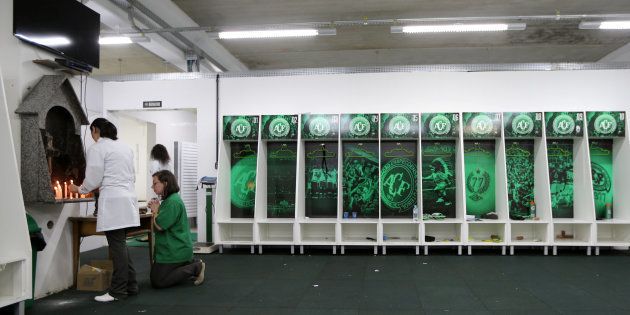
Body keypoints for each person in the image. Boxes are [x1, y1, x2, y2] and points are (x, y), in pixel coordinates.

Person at [69, 118, 139, 302]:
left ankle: (118, 291)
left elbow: (93, 178)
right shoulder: (125, 147)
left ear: (95, 130)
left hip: (114, 201)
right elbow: (132, 174)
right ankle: (131, 285)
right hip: (128, 198)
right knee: (121, 244)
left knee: (117, 246)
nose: (92, 136)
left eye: (92, 132)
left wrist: (79, 189)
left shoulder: (98, 148)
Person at [148, 170, 205, 289]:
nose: (152, 186)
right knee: (156, 276)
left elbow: (159, 225)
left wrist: (155, 211)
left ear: (165, 183)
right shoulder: (170, 200)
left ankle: (196, 267)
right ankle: (190, 262)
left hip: (175, 250)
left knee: (158, 281)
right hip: (174, 248)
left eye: (155, 183)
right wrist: (157, 209)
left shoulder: (172, 202)